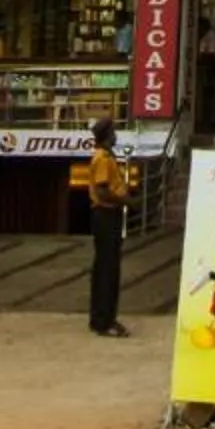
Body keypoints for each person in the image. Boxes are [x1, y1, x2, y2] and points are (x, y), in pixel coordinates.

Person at [86, 114, 129, 337]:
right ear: (106, 135)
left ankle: (104, 317)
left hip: (108, 215)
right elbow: (102, 190)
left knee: (107, 266)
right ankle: (103, 320)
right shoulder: (102, 158)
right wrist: (124, 200)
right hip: (105, 215)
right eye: (113, 131)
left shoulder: (107, 156)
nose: (116, 135)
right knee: (107, 268)